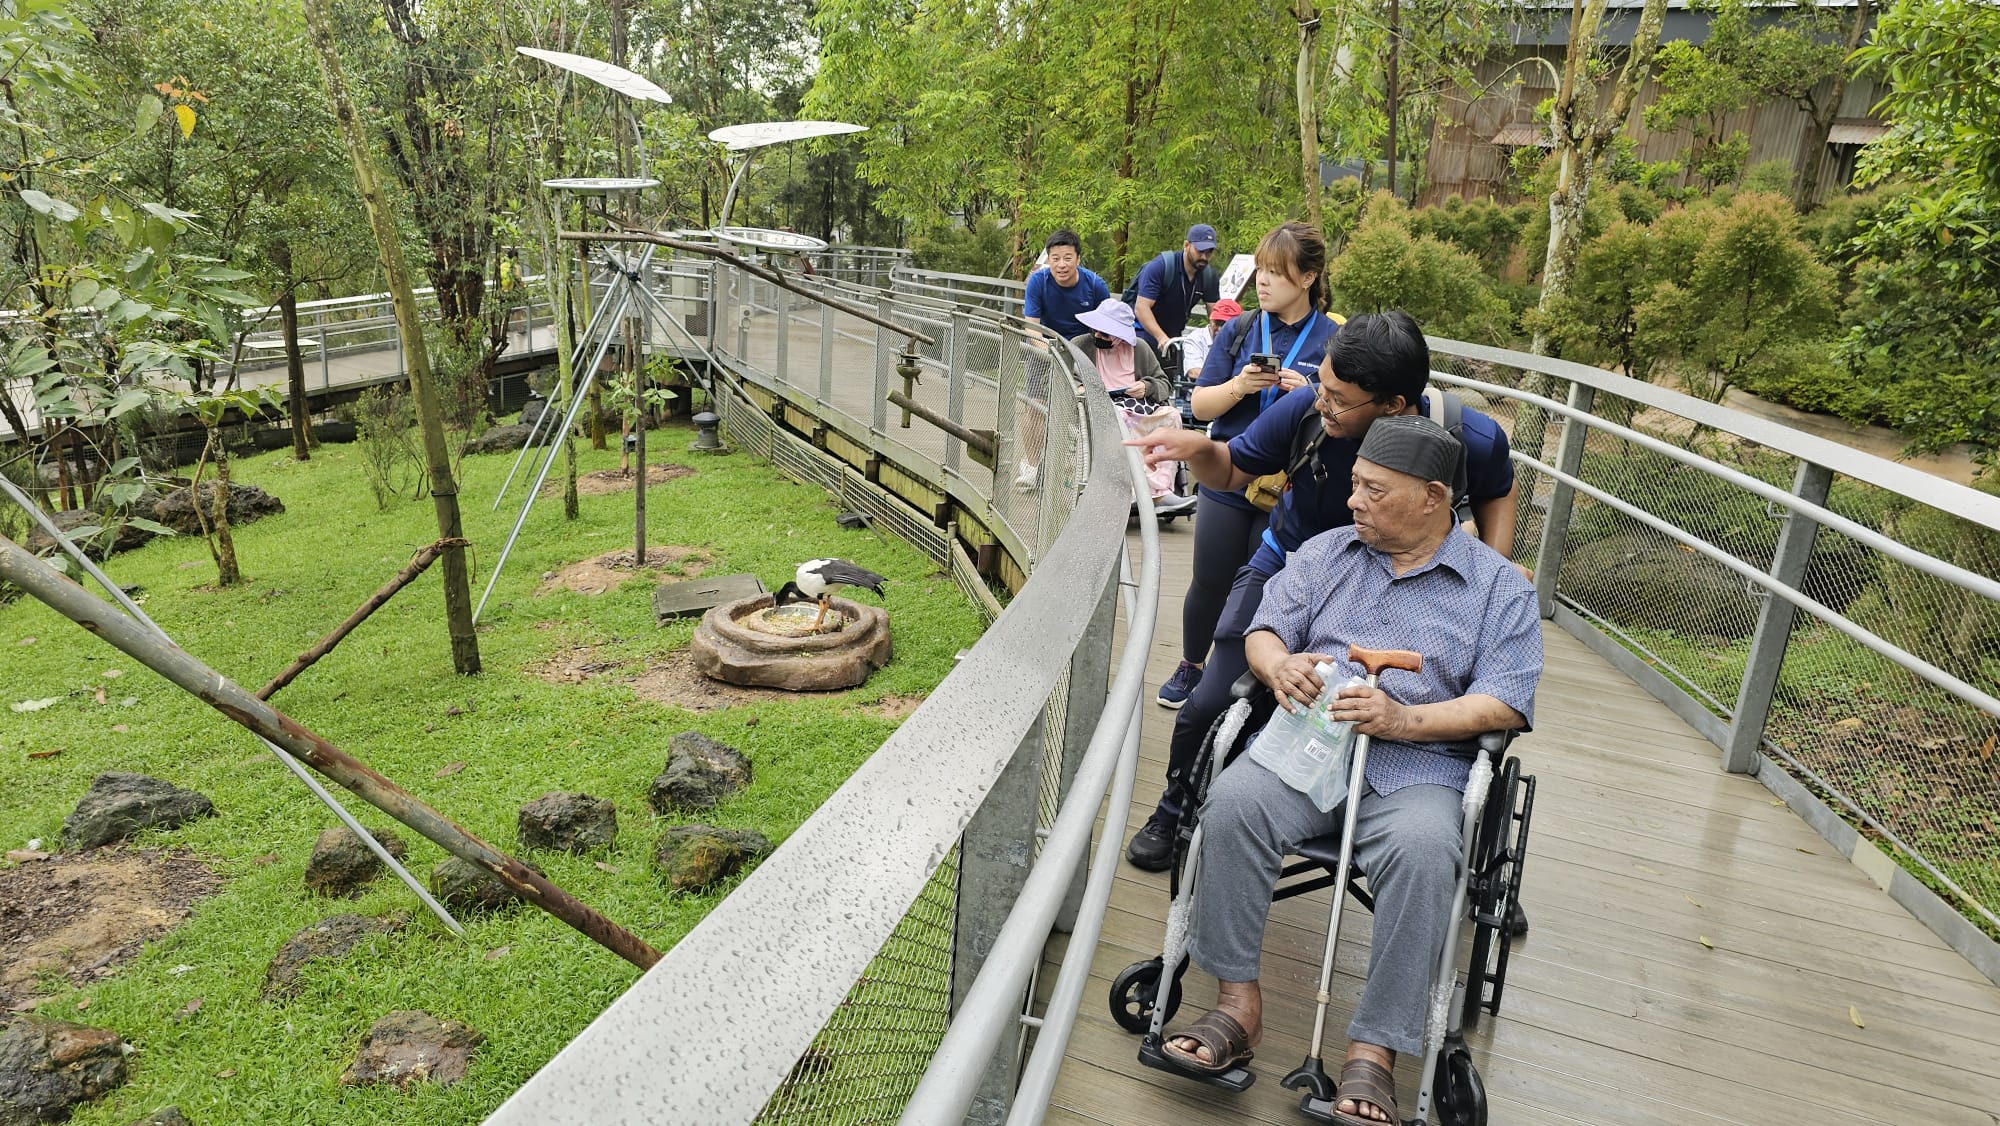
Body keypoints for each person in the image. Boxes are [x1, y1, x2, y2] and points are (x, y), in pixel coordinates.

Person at [1158, 416, 1542, 1126]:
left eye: (1373, 489)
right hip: (1310, 747)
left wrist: (1405, 720)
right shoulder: (1326, 552)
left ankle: (1375, 1052)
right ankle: (1236, 1007)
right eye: (1355, 485)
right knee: (1234, 802)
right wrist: (1279, 666)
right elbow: (1265, 630)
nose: (1353, 501)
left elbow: (1507, 700)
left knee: (1427, 853)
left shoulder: (1498, 588)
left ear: (1433, 497)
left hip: (1420, 766)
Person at [1124, 311, 1524, 871]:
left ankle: (1454, 846)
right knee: (1211, 700)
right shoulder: (1309, 410)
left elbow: (1498, 491)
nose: (1321, 403)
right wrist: (1195, 449)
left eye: (1339, 399)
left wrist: (1491, 575)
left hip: (1403, 583)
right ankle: (1175, 809)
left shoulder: (1466, 437)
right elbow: (1234, 468)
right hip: (1294, 568)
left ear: (1395, 406)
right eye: (1323, 387)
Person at [1159, 221, 1339, 710]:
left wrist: (1309, 396)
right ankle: (1192, 664)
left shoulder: (1334, 340)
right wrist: (1240, 386)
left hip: (1292, 483)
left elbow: (1349, 410)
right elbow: (1200, 408)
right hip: (1227, 474)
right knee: (1211, 578)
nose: (1261, 282)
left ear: (1307, 278)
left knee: (1265, 586)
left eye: (1276, 273)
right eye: (1260, 270)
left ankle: (1242, 678)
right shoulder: (1238, 329)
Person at [1074, 298, 1193, 516]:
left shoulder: (1140, 350)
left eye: (1106, 333)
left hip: (1140, 411)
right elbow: (1067, 378)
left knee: (1172, 416)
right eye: (1096, 330)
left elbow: (1163, 384)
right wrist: (1082, 389)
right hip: (1103, 413)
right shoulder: (1082, 345)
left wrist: (1146, 387)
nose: (1098, 335)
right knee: (1121, 417)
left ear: (1120, 336)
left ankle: (1161, 490)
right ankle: (1142, 493)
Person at [1019, 230, 1111, 489]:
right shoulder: (1038, 282)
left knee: (1081, 407)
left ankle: (1080, 469)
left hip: (1083, 351)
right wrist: (1046, 350)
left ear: (1078, 259)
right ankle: (1032, 466)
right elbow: (1031, 326)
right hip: (1044, 348)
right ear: (1048, 260)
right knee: (1036, 406)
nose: (1061, 264)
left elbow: (1106, 325)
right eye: (1055, 258)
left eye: (1067, 258)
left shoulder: (1095, 285)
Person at [1132, 224, 1222, 352]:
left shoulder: (1209, 276)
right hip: (1144, 334)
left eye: (1209, 252)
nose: (1204, 257)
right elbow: (1141, 308)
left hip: (1175, 336)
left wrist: (1219, 338)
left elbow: (1215, 314)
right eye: (1200, 251)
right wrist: (1161, 338)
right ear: (1186, 245)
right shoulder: (1159, 267)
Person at [1170, 298, 1241, 386]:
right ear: (1210, 320)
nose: (1220, 328)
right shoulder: (1196, 338)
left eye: (1226, 325)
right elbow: (1194, 372)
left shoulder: (1243, 339)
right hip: (1198, 392)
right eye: (1217, 322)